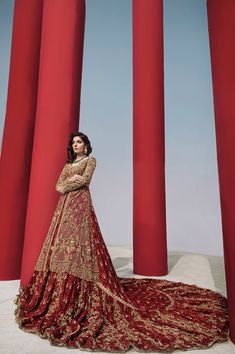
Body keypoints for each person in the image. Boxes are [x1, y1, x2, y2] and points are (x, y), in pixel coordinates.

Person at [14, 131, 229, 352]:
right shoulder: (69, 165)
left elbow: (85, 181)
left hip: (80, 206)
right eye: (73, 143)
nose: (75, 145)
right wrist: (70, 181)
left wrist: (71, 183)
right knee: (61, 247)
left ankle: (81, 287)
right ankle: (61, 291)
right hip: (64, 208)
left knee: (80, 245)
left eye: (79, 142)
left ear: (86, 146)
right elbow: (59, 186)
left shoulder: (90, 161)